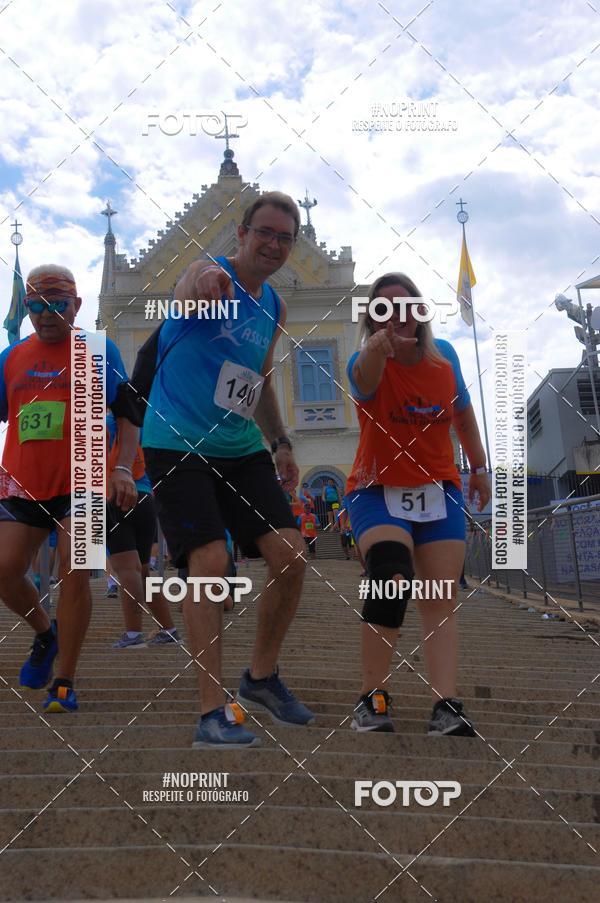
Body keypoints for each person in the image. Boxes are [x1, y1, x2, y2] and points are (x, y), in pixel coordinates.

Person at [141, 191, 314, 748]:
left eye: (285, 237)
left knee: (291, 556)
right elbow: (191, 282)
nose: (274, 244)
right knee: (210, 559)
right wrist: (202, 283)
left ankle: (260, 677)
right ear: (240, 234)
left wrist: (281, 441)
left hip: (239, 447)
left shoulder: (275, 308)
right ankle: (212, 709)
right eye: (264, 232)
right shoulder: (210, 275)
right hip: (176, 441)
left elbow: (257, 377)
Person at [345, 272, 491, 736]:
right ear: (372, 319)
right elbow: (364, 380)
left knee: (439, 597)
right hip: (376, 489)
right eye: (382, 309)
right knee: (390, 575)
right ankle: (372, 698)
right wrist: (375, 349)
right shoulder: (364, 360)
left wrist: (481, 468)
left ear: (420, 311)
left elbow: (463, 414)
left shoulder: (444, 357)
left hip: (438, 490)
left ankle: (445, 704)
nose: (396, 317)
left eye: (404, 305)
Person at [0, 264, 139, 712]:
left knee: (74, 570)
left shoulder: (98, 350)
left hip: (85, 480)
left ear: (76, 306)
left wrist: (121, 468)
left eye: (56, 304)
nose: (45, 314)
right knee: (3, 568)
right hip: (22, 481)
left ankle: (65, 680)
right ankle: (46, 634)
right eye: (35, 305)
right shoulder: (12, 356)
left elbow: (128, 413)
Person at [106, 413, 181, 648]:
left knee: (127, 569)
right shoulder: (143, 425)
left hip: (115, 496)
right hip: (146, 498)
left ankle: (132, 634)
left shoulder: (106, 425)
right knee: (144, 571)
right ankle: (168, 629)